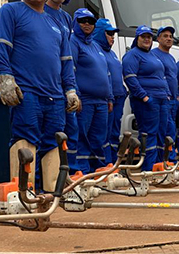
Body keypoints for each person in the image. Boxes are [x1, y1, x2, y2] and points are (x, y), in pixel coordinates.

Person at [0, 0, 79, 192]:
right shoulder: (10, 12)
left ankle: (50, 192)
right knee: (25, 138)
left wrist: (70, 90)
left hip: (54, 97)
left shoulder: (56, 24)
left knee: (53, 141)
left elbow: (66, 61)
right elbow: (0, 44)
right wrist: (6, 78)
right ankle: (22, 192)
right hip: (27, 92)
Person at [44, 0, 79, 173]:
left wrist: (71, 89)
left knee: (70, 131)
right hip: (44, 85)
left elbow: (67, 57)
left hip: (62, 86)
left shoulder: (66, 18)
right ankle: (43, 182)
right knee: (47, 135)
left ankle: (70, 174)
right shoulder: (39, 12)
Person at [70, 9, 112, 173]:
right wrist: (76, 94)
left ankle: (98, 170)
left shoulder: (95, 45)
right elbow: (70, 69)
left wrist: (109, 98)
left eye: (91, 21)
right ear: (76, 22)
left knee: (98, 138)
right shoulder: (73, 41)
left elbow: (105, 72)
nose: (87, 24)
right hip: (85, 100)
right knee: (82, 136)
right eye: (83, 21)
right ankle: (82, 171)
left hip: (101, 102)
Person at [122, 25, 170, 170]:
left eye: (149, 37)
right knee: (149, 133)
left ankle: (159, 166)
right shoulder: (132, 55)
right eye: (144, 37)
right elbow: (130, 78)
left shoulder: (152, 55)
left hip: (161, 99)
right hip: (148, 101)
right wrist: (144, 97)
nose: (147, 39)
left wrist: (167, 94)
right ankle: (148, 169)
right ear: (137, 38)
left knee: (162, 132)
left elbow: (161, 76)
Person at [92, 18, 126, 163]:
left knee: (114, 133)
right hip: (105, 100)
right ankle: (104, 163)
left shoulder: (111, 53)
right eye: (109, 33)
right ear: (100, 32)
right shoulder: (95, 48)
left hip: (118, 98)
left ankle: (112, 163)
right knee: (102, 134)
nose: (113, 36)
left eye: (114, 33)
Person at [152, 26, 179, 161]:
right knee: (163, 130)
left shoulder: (172, 58)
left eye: (170, 36)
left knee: (171, 130)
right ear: (158, 39)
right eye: (165, 36)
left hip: (174, 100)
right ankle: (164, 159)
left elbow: (174, 78)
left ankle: (170, 158)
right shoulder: (154, 55)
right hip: (162, 99)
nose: (169, 39)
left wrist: (177, 95)